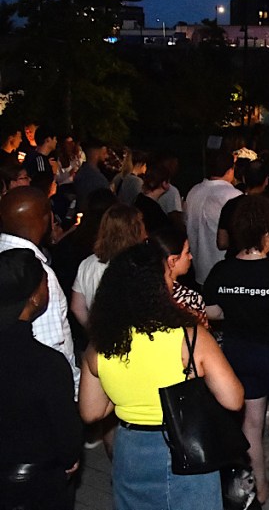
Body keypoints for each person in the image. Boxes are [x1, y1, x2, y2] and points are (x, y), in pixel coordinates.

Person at [78, 243, 244, 510]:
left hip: (129, 450)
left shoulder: (100, 344)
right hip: (182, 445)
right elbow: (234, 399)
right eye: (167, 277)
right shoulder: (189, 338)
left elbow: (91, 412)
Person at [204, 194, 269, 504]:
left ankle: (260, 489)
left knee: (251, 424)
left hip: (239, 355)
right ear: (268, 234)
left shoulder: (220, 272)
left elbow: (212, 313)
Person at [0, 248, 81, 510]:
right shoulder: (48, 364)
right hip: (36, 487)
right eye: (46, 283)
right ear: (34, 297)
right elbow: (67, 438)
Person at [0, 187, 78, 388]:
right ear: (47, 219)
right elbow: (51, 342)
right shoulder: (38, 275)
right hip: (43, 391)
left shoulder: (6, 259)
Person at [69, 204, 147, 329]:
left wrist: (94, 332)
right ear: (135, 230)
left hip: (102, 340)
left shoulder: (87, 263)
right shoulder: (139, 264)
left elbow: (77, 307)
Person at [184, 149, 240, 285]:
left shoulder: (193, 191)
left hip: (199, 268)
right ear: (230, 170)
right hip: (225, 271)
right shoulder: (233, 196)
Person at [149, 227, 207, 326]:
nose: (190, 257)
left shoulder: (144, 292)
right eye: (187, 252)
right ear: (172, 261)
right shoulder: (190, 299)